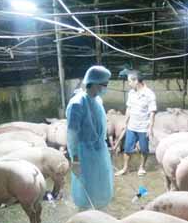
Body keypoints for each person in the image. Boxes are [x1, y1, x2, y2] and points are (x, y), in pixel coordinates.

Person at [66, 65, 114, 210]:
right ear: (92, 83)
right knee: (87, 184)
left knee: (101, 181)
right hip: (84, 153)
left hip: (99, 149)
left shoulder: (97, 101)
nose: (105, 88)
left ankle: (99, 208)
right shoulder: (77, 104)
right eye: (103, 85)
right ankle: (86, 213)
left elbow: (101, 125)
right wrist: (75, 158)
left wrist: (104, 144)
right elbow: (72, 133)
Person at [115, 70, 157, 176]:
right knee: (127, 149)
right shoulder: (131, 93)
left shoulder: (149, 94)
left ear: (136, 81)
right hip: (132, 126)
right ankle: (125, 168)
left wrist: (150, 128)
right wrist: (125, 122)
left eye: (129, 81)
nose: (128, 83)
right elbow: (129, 108)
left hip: (143, 127)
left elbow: (152, 112)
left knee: (144, 149)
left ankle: (142, 167)